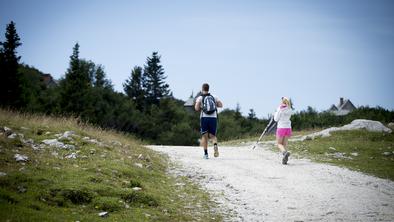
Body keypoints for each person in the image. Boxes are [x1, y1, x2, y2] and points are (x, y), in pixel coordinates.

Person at [194, 83, 223, 159]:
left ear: (202, 89)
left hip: (204, 117)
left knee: (205, 136)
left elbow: (196, 108)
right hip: (213, 118)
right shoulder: (214, 97)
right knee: (213, 136)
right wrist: (213, 105)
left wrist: (202, 107)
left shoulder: (200, 98)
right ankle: (215, 145)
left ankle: (206, 154)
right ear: (208, 89)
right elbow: (221, 105)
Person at [274, 97, 293, 164]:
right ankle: (285, 159)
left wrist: (277, 111)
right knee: (284, 144)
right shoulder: (290, 109)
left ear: (282, 101)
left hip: (281, 127)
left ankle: (285, 153)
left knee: (279, 144)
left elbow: (275, 119)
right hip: (288, 128)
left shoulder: (280, 109)